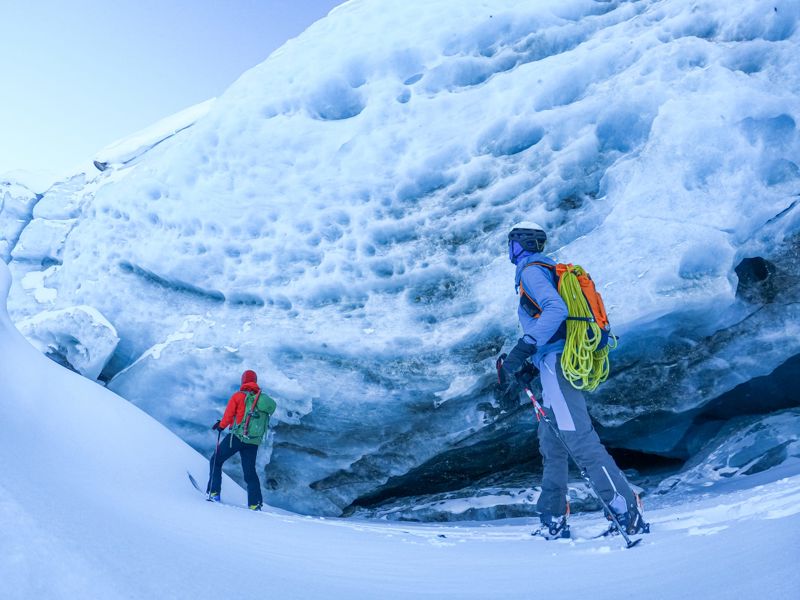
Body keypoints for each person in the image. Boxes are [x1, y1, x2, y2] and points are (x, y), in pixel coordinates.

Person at [498, 221, 647, 538]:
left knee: (580, 440)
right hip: (551, 364)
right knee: (552, 443)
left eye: (512, 244)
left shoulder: (531, 271)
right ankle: (552, 516)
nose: (510, 251)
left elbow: (556, 310)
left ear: (521, 244)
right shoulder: (546, 270)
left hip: (557, 363)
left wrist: (525, 347)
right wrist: (533, 364)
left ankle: (626, 511)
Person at [207, 369, 277, 510]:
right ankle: (255, 503)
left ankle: (214, 493)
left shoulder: (238, 396)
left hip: (236, 437)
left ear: (243, 381)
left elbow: (228, 416)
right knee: (250, 472)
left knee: (216, 460)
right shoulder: (260, 399)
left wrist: (221, 426)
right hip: (252, 441)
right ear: (255, 381)